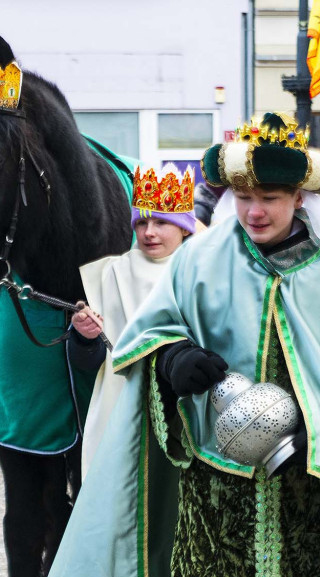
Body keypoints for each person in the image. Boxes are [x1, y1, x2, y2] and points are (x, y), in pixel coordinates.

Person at [18, 112, 320, 577]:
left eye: (271, 198)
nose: (254, 211)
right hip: (214, 489)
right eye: (243, 196)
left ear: (300, 199)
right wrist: (173, 357)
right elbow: (149, 338)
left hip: (308, 491)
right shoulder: (198, 259)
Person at [67, 163, 196, 479]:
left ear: (185, 228)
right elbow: (88, 361)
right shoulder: (110, 273)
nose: (149, 232)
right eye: (142, 223)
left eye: (162, 222)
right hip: (121, 407)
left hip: (188, 407)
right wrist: (84, 337)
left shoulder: (203, 271)